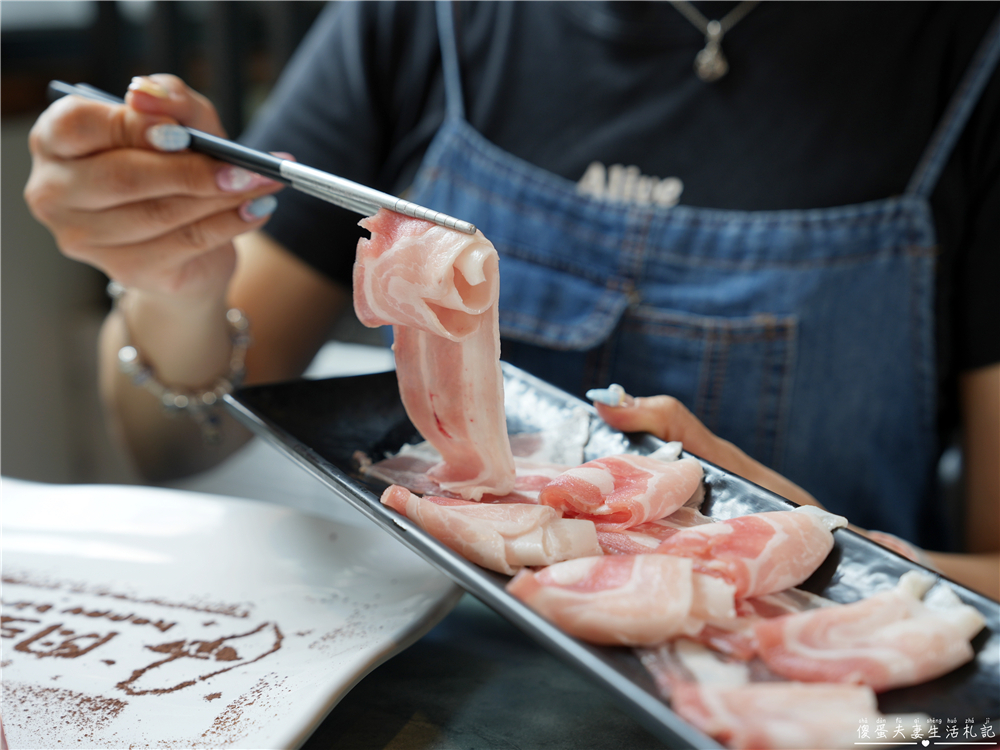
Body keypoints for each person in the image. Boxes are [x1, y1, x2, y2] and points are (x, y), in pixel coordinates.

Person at [24, 2, 998, 598]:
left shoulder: (969, 57)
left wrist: (794, 541)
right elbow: (163, 446)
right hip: (420, 657)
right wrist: (180, 285)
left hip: (790, 694)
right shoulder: (420, 17)